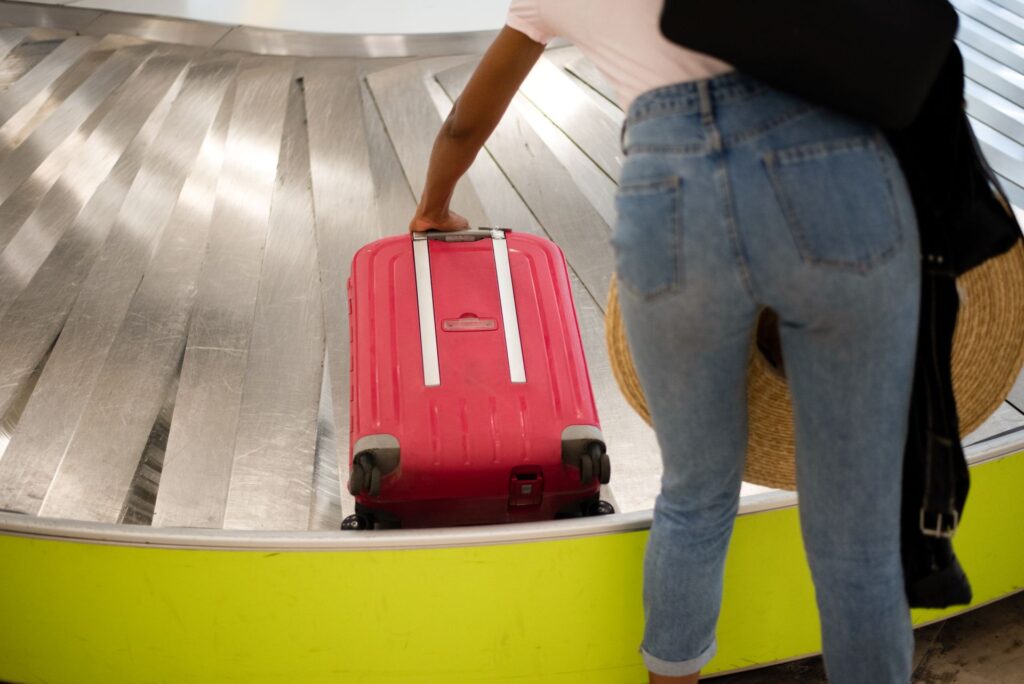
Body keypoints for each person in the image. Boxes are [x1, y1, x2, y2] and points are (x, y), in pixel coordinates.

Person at [409, 2, 920, 682]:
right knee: (855, 527)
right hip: (825, 158)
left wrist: (433, 206)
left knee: (695, 494)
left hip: (671, 186)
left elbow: (466, 119)